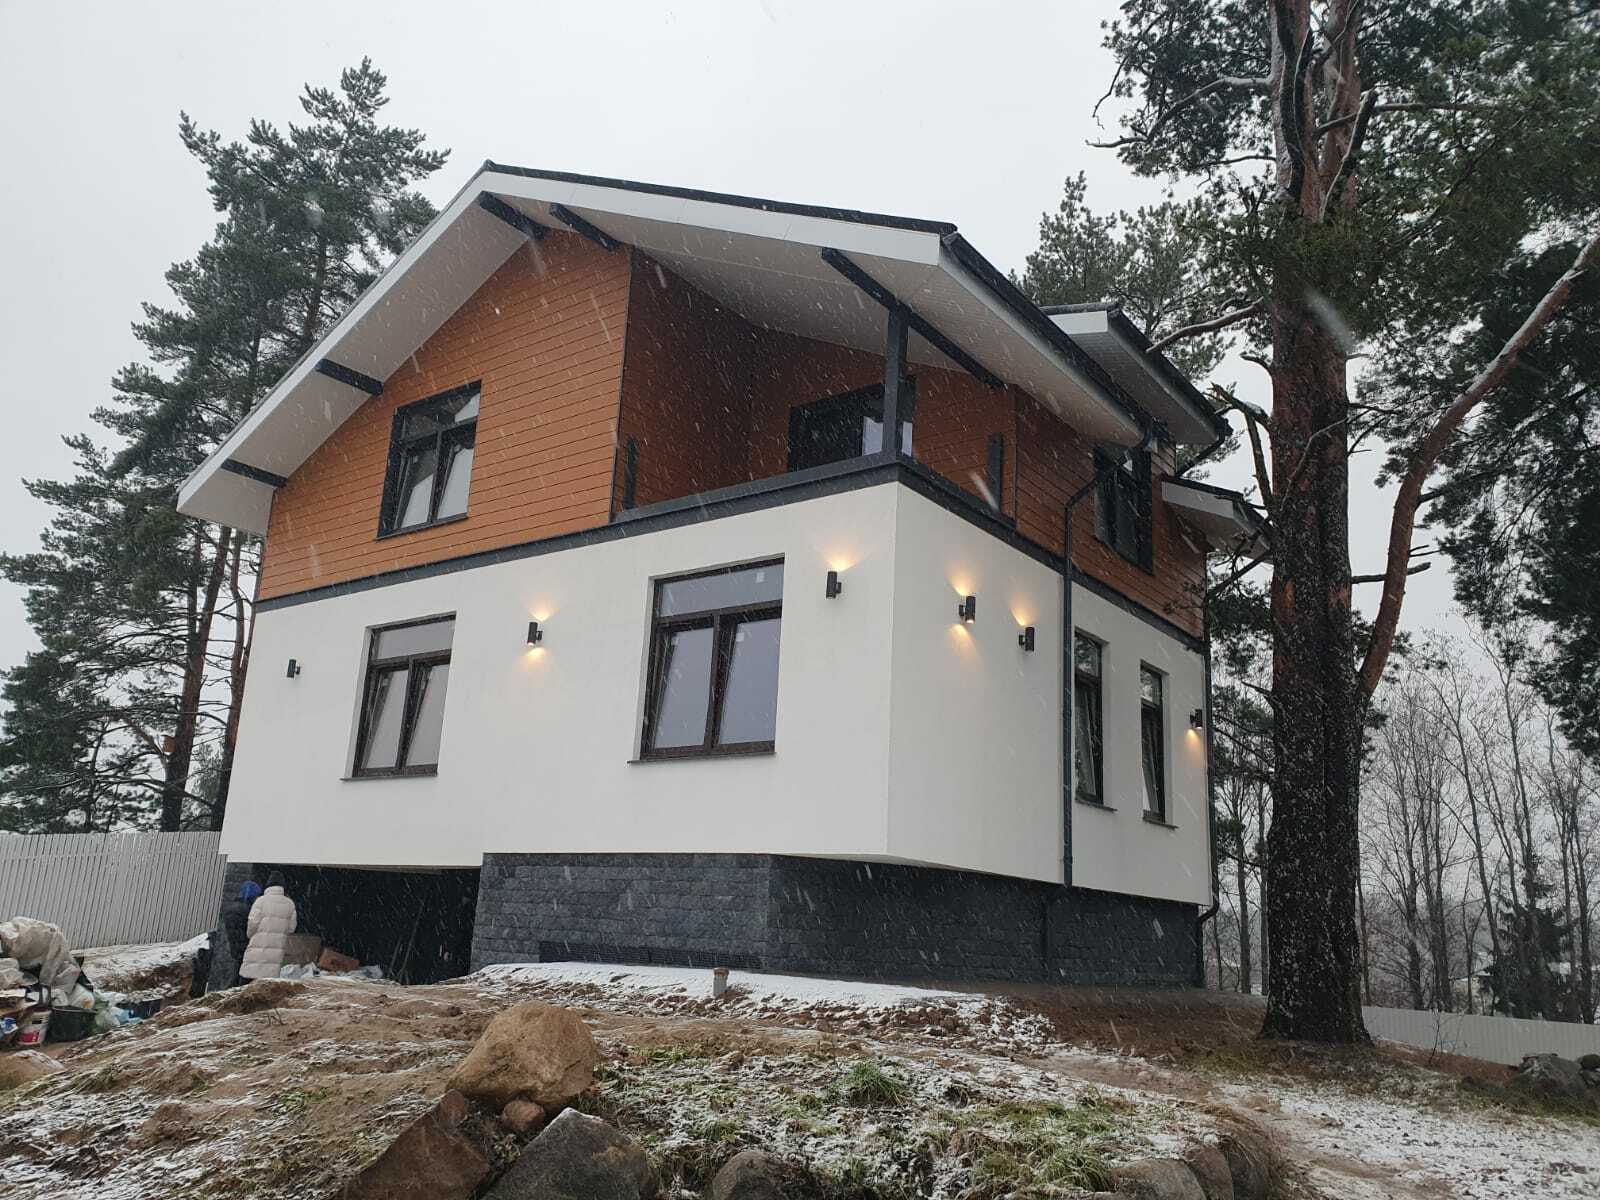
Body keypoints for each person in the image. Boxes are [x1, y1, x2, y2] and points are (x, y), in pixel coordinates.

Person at [240, 873, 298, 982]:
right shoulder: (290, 904)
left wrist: (250, 935)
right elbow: (291, 928)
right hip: (275, 954)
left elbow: (252, 923)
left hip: (257, 949)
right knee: (266, 985)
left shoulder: (260, 901)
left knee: (247, 984)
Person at [221, 879, 262, 988]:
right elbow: (251, 929)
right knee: (243, 976)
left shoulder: (232, 908)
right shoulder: (247, 910)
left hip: (235, 946)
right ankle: (232, 992)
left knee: (238, 971)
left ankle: (229, 991)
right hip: (245, 947)